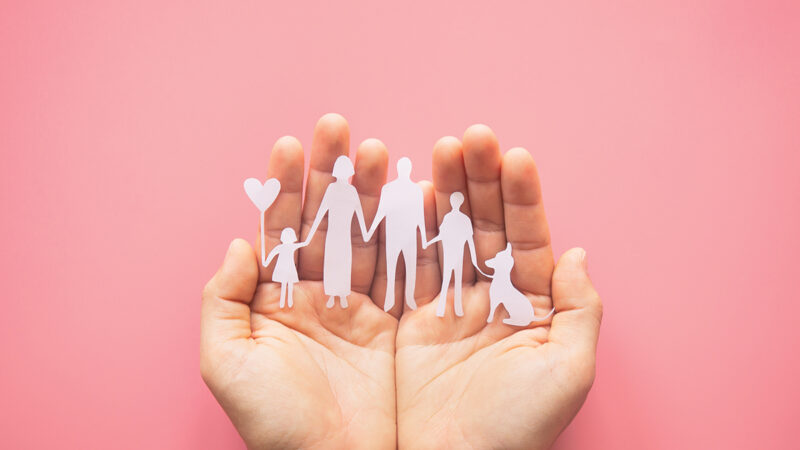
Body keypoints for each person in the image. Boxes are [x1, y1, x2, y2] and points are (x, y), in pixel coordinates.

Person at [200, 115, 603, 449]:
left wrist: (376, 226)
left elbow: (425, 234)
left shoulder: (446, 214)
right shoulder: (390, 192)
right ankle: (350, 298)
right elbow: (335, 214)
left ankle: (396, 297)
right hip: (374, 237)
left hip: (407, 242)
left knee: (401, 274)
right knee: (347, 268)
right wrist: (370, 226)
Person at [304, 154, 369, 309]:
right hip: (333, 234)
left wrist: (367, 232)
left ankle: (343, 295)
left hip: (344, 235)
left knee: (344, 263)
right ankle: (332, 296)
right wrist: (309, 236)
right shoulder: (331, 189)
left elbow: (359, 213)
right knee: (332, 264)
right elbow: (321, 212)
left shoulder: (352, 191)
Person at [365, 157, 426, 312]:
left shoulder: (415, 190)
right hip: (394, 235)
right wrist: (370, 231)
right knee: (392, 267)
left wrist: (424, 239)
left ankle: (409, 298)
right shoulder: (389, 189)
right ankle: (389, 298)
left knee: (409, 267)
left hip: (408, 235)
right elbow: (381, 212)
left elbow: (420, 216)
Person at [425, 191, 485, 317]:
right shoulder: (452, 218)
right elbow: (441, 235)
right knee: (449, 281)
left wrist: (474, 259)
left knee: (454, 281)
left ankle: (456, 309)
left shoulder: (462, 219)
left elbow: (469, 241)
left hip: (457, 255)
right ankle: (443, 308)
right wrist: (429, 242)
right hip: (451, 254)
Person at [263, 227, 306, 308]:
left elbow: (304, 243)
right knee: (285, 285)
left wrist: (266, 262)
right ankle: (284, 302)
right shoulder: (283, 247)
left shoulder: (288, 246)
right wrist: (266, 262)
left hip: (288, 268)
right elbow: (305, 243)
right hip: (284, 268)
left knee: (288, 285)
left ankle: (288, 301)